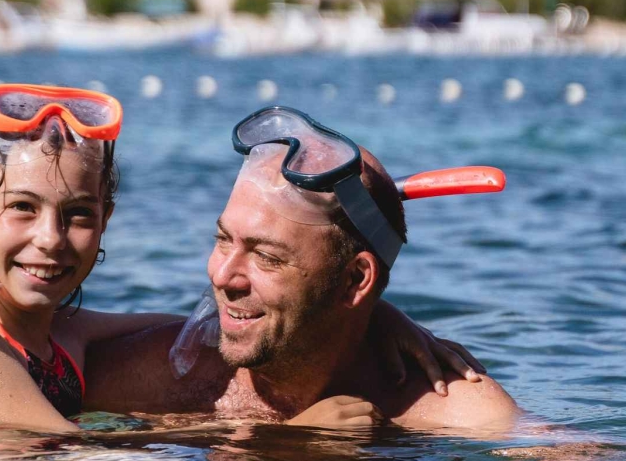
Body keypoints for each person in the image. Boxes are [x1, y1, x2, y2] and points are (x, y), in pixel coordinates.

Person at [0, 85, 486, 431]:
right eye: (21, 207)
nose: (50, 238)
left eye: (78, 215)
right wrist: (297, 438)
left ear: (105, 221)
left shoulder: (61, 335)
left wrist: (375, 316)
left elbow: (199, 327)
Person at [83, 105, 522, 433]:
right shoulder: (151, 377)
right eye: (223, 240)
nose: (222, 275)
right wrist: (291, 440)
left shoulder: (451, 413)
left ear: (355, 280)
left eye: (266, 257)